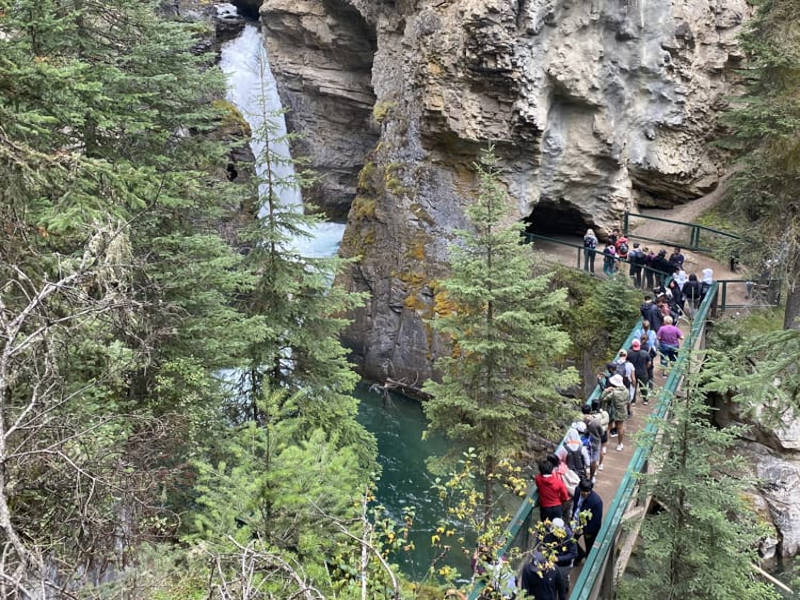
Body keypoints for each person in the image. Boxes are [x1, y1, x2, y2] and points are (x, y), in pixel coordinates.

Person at [571, 479, 603, 563]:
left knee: (589, 546)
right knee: (571, 541)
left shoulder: (596, 502)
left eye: (587, 491)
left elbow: (596, 522)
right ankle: (580, 555)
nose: (585, 493)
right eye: (583, 491)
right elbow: (575, 505)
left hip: (588, 528)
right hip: (576, 521)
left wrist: (584, 531)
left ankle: (588, 562)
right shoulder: (577, 491)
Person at [545, 518, 578, 596]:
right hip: (551, 562)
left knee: (562, 581)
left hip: (564, 565)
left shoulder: (569, 536)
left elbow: (574, 553)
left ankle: (565, 588)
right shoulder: (549, 532)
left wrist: (558, 559)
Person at [600, 374, 629, 451]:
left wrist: (606, 390)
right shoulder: (626, 391)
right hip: (622, 411)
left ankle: (604, 446)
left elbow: (603, 399)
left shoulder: (614, 393)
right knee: (620, 428)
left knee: (608, 427)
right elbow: (627, 401)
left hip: (612, 411)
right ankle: (619, 444)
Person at [627, 339, 651, 405]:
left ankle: (633, 401)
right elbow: (649, 362)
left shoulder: (629, 353)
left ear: (632, 345)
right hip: (643, 372)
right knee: (643, 386)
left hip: (633, 373)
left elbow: (626, 362)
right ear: (639, 345)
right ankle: (645, 400)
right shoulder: (645, 353)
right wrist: (646, 368)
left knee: (633, 387)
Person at [582, 405, 604, 477]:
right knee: (593, 460)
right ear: (590, 411)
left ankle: (585, 474)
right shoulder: (595, 421)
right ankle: (592, 476)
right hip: (595, 442)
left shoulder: (581, 420)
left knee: (584, 458)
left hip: (584, 442)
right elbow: (602, 432)